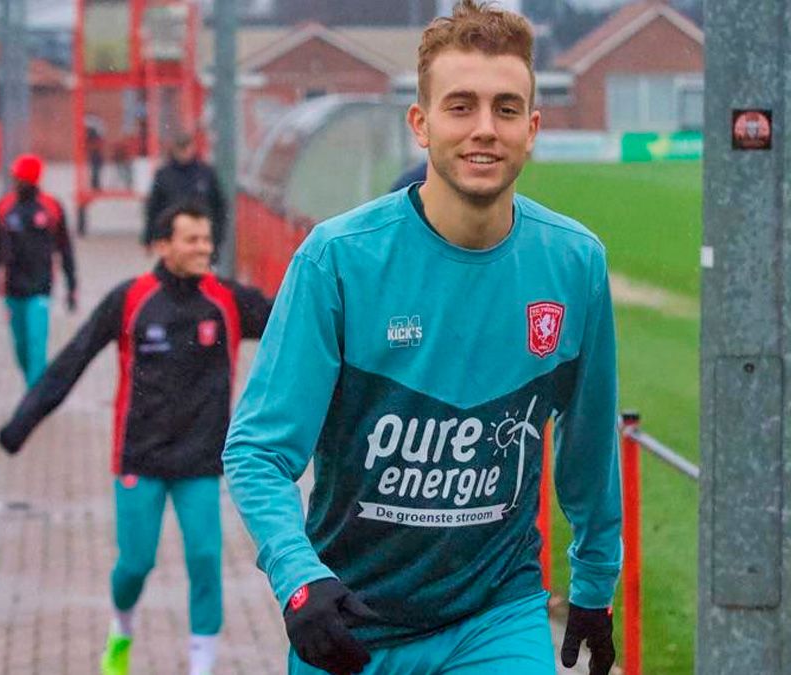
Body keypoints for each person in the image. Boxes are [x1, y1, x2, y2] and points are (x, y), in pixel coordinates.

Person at [222, 3, 622, 675]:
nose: (484, 130)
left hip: (497, 613)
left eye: (504, 108)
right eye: (460, 106)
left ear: (532, 128)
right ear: (422, 123)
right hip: (351, 621)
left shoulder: (574, 264)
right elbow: (258, 451)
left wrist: (593, 588)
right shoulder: (338, 260)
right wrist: (298, 577)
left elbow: (588, 444)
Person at [0, 203, 272, 675]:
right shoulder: (132, 299)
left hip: (201, 459)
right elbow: (73, 359)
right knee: (135, 565)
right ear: (162, 246)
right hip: (139, 457)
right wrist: (19, 427)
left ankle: (200, 665)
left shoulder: (228, 301)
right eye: (192, 240)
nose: (203, 248)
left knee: (206, 559)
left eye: (207, 239)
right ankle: (121, 629)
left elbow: (294, 324)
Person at [0, 153, 77, 387]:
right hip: (12, 289)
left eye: (19, 177)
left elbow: (65, 248)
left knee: (37, 344)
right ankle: (34, 388)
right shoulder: (3, 208)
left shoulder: (51, 207)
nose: (16, 181)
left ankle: (34, 398)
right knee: (21, 347)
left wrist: (72, 286)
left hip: (41, 287)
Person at [143, 133, 227, 256]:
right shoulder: (164, 175)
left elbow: (219, 206)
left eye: (186, 148)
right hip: (172, 236)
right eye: (181, 148)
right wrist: (149, 238)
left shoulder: (206, 173)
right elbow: (153, 207)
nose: (184, 153)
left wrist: (217, 236)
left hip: (201, 235)